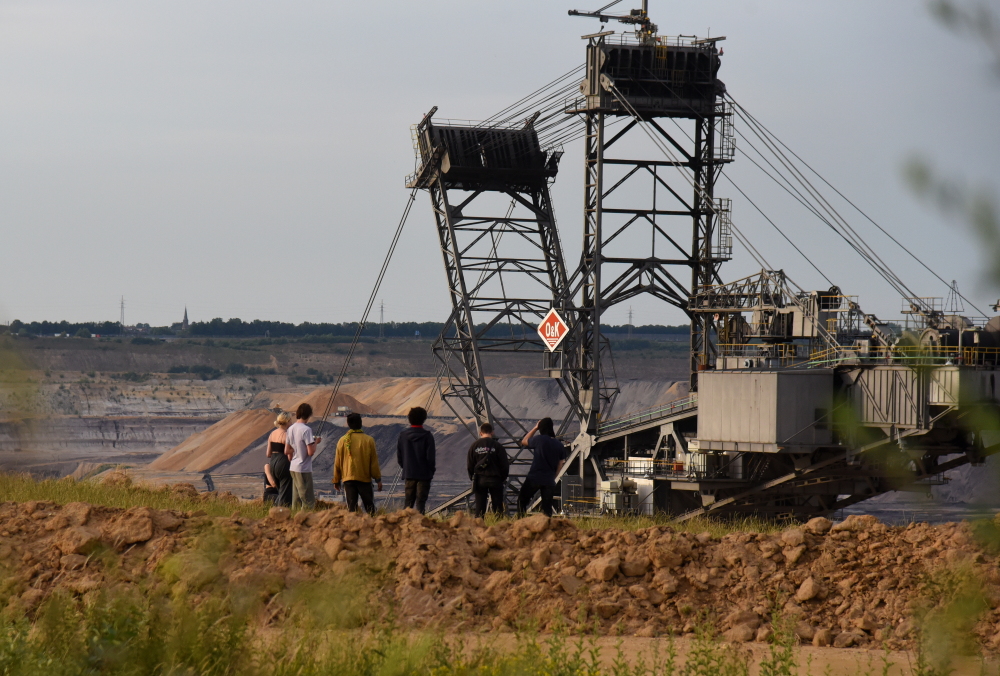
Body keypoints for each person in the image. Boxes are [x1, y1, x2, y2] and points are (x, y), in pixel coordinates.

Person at [333, 413, 383, 515]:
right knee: (370, 508)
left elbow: (337, 462)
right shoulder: (369, 440)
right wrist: (378, 479)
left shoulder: (342, 440)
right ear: (361, 423)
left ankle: (352, 524)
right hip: (364, 479)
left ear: (348, 424)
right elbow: (374, 462)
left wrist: (336, 480)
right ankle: (373, 524)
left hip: (348, 479)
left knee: (352, 509)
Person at [516, 417, 565, 517]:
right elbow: (560, 464)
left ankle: (521, 521)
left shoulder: (539, 439)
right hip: (549, 480)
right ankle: (547, 525)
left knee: (522, 500)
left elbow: (524, 441)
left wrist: (535, 428)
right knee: (547, 508)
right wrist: (553, 477)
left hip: (535, 477)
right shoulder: (559, 445)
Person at [396, 406, 435, 513]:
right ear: (424, 419)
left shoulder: (403, 436)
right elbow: (430, 458)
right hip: (424, 475)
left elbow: (400, 457)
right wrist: (431, 471)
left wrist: (406, 467)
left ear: (409, 418)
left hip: (409, 474)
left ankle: (405, 522)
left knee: (408, 502)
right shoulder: (428, 436)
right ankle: (420, 522)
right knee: (421, 503)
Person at [466, 422, 509, 517]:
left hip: (480, 479)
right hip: (496, 479)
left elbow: (470, 464)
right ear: (492, 432)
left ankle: (479, 524)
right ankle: (498, 524)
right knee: (498, 508)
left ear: (480, 433)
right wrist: (502, 478)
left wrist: (472, 478)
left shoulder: (474, 445)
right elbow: (505, 465)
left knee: (480, 507)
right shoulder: (498, 446)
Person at [285, 403, 321, 509]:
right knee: (308, 500)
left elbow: (287, 450)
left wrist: (297, 448)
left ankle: (293, 517)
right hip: (303, 469)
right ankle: (306, 518)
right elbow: (310, 452)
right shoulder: (306, 430)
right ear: (308, 415)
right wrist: (316, 442)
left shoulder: (290, 428)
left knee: (296, 500)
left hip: (293, 468)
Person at [266, 411, 293, 507]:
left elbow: (268, 454)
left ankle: (276, 510)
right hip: (283, 463)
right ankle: (282, 511)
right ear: (287, 421)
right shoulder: (286, 434)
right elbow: (289, 453)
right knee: (286, 492)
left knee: (280, 491)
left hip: (273, 463)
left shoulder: (272, 434)